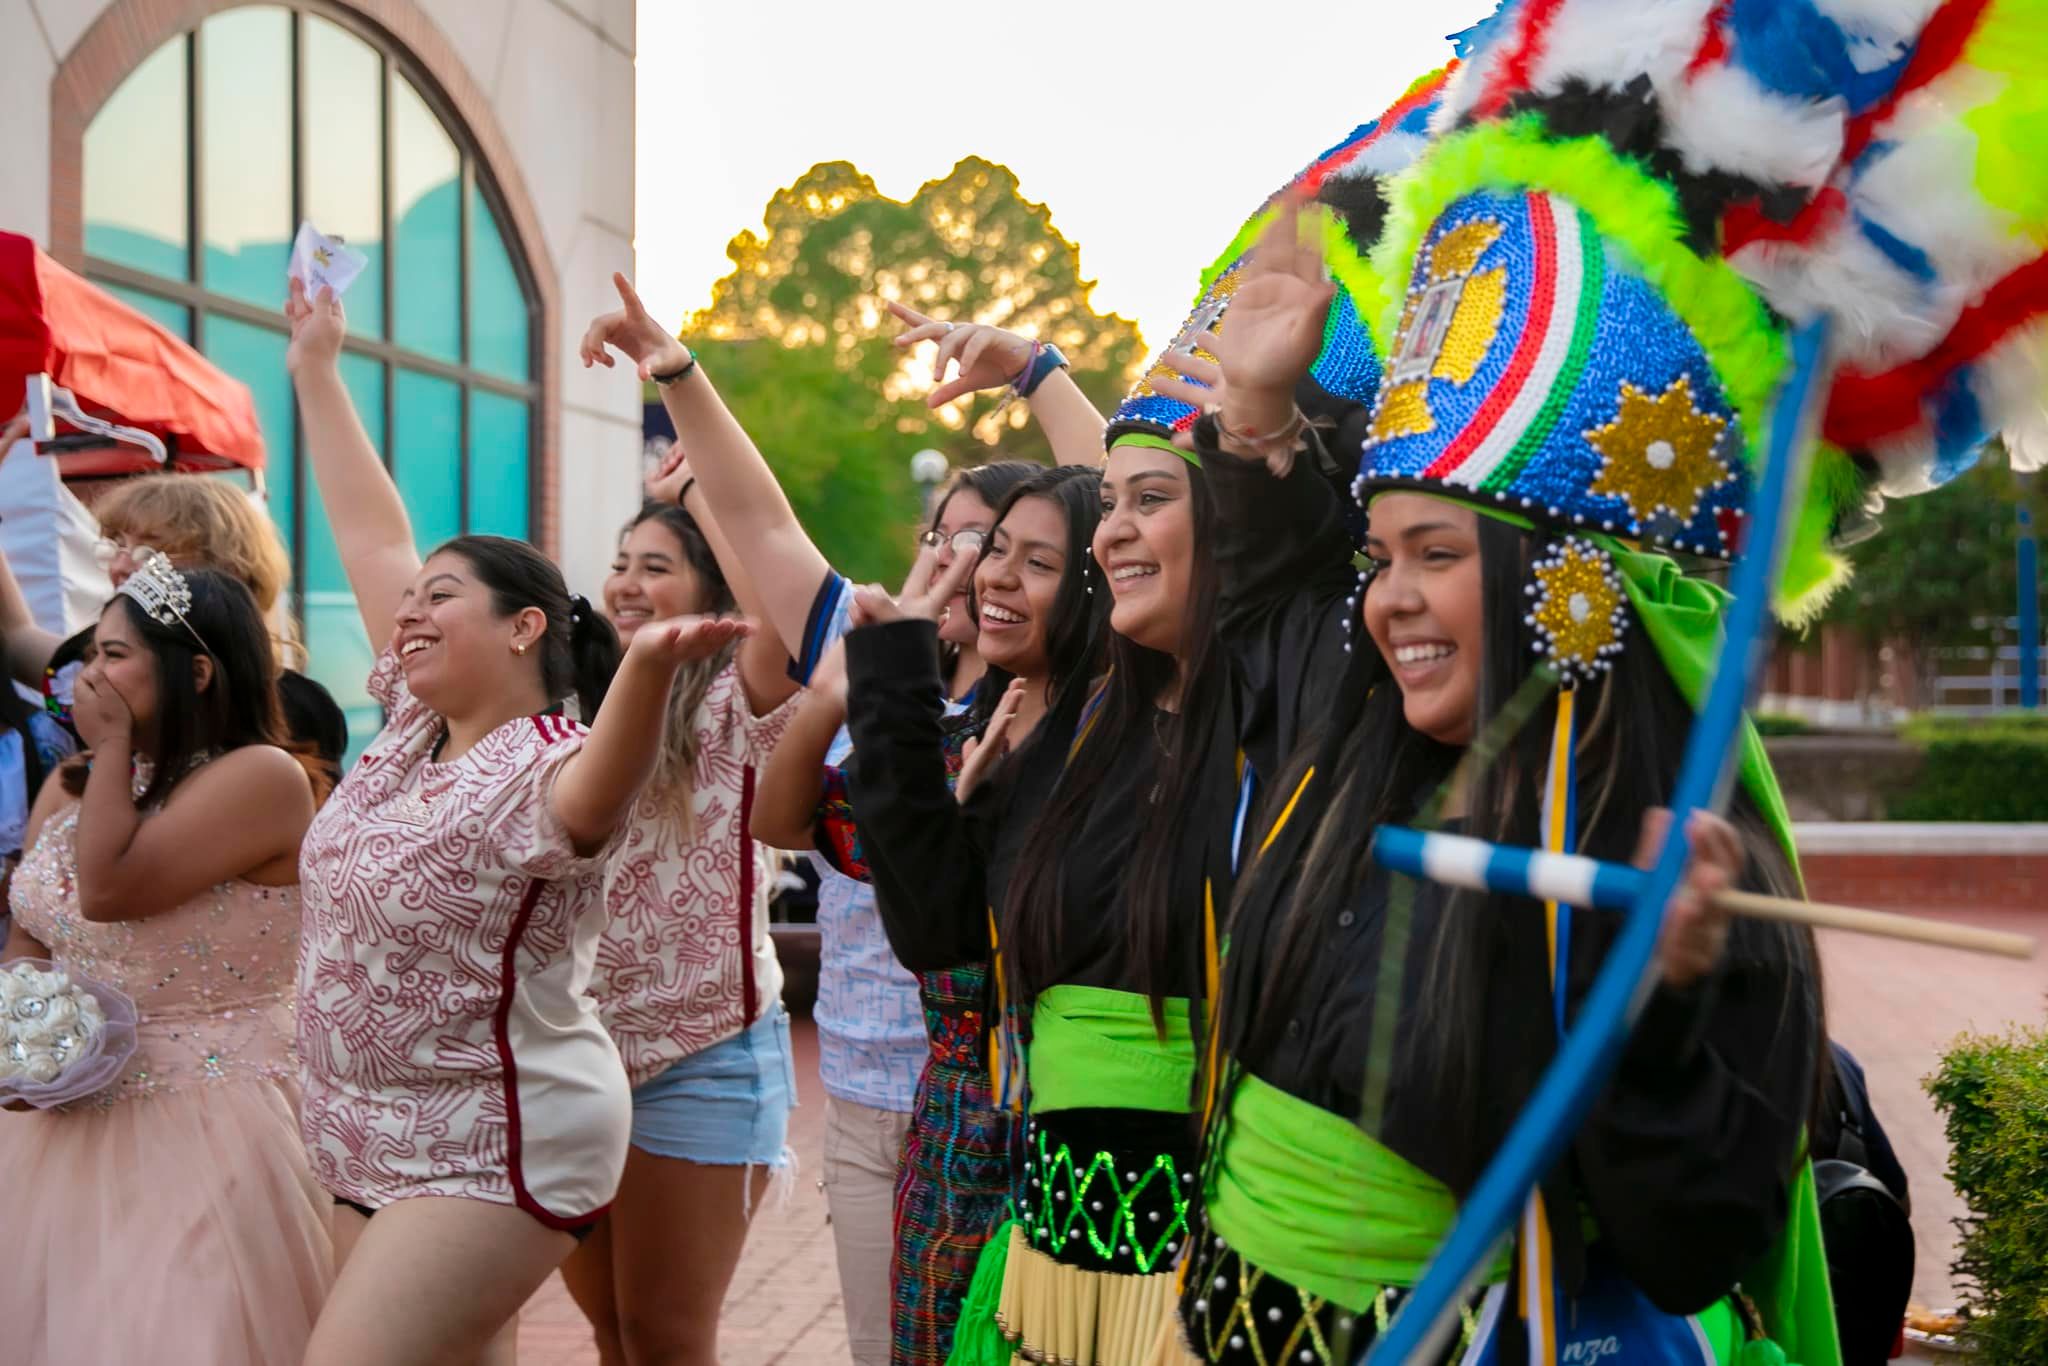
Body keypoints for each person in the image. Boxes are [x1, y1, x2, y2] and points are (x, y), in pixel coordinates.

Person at [578, 271, 1062, 1366]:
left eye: (999, 543)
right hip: (861, 1085)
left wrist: (1036, 370)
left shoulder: (1069, 693)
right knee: (881, 1346)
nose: (964, 560)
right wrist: (677, 368)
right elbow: (763, 522)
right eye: (947, 532)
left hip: (1014, 1091)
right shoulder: (871, 647)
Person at [285, 276, 745, 1366]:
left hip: (494, 1136)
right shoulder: (404, 727)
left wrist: (640, 671)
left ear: (522, 627)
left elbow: (601, 796)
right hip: (366, 1130)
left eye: (440, 597)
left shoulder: (546, 765)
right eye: (412, 598)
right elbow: (366, 522)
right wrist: (313, 366)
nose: (408, 611)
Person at [758, 463, 1109, 1365]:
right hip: (948, 1130)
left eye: (1035, 560)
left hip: (1078, 1147)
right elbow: (925, 921)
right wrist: (873, 683)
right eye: (988, 550)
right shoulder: (962, 733)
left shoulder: (1126, 748)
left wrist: (1038, 373)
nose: (986, 573)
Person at [0, 555, 334, 1365]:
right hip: (66, 1126)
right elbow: (32, 927)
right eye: (90, 656)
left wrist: (109, 745)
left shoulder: (262, 777)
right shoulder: (80, 783)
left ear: (196, 671)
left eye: (115, 655)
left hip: (208, 1126)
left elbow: (108, 891)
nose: (89, 675)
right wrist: (26, 1048)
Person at [557, 447, 806, 1366]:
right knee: (611, 1333)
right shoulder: (572, 704)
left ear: (711, 587)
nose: (625, 584)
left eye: (655, 567)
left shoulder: (737, 701)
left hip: (702, 1055)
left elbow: (780, 610)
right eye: (621, 563)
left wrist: (698, 489)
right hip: (574, 1060)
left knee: (666, 1335)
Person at [0, 458, 348, 779]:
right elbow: (16, 635)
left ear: (225, 570)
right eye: (117, 545)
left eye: (149, 552)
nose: (121, 566)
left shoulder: (297, 709)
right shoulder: (94, 664)